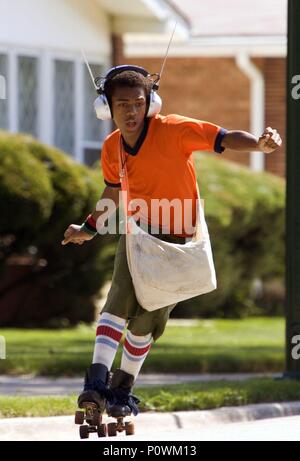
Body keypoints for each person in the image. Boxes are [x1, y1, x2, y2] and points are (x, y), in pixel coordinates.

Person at [61, 66, 282, 421]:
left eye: (138, 104)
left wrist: (258, 143)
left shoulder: (174, 129)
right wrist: (89, 227)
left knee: (148, 318)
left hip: (179, 243)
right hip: (138, 237)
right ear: (107, 108)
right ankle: (96, 382)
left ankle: (122, 390)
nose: (131, 112)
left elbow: (223, 137)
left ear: (150, 104)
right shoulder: (111, 147)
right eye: (122, 105)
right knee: (118, 301)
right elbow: (112, 192)